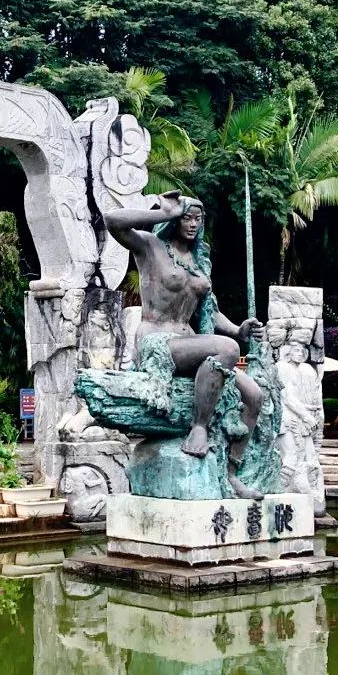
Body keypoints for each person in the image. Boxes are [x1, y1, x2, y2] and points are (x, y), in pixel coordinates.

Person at [103, 191, 265, 491]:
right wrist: (164, 213)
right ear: (176, 219)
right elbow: (112, 220)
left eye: (197, 219)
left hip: (190, 343)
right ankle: (198, 428)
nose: (192, 224)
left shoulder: (198, 261)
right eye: (187, 218)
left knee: (254, 395)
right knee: (227, 349)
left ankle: (232, 474)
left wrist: (238, 330)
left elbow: (209, 311)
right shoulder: (151, 246)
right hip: (157, 342)